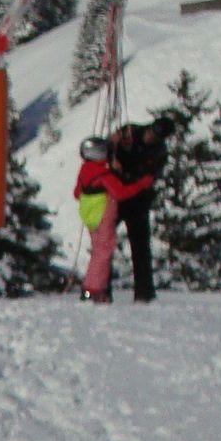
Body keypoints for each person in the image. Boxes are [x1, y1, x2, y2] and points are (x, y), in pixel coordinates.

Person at [74, 137, 154, 305]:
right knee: (103, 252)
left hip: (89, 215)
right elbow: (120, 193)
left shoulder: (85, 170)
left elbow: (77, 193)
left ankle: (93, 289)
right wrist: (141, 184)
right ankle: (93, 290)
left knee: (98, 251)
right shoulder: (103, 174)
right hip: (103, 214)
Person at [112, 119, 167, 304]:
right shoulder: (130, 131)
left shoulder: (159, 152)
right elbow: (107, 146)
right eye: (152, 132)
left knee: (141, 248)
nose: (152, 137)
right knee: (103, 244)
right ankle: (98, 288)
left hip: (137, 202)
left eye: (157, 136)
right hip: (118, 196)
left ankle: (144, 292)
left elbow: (148, 177)